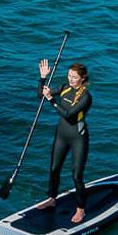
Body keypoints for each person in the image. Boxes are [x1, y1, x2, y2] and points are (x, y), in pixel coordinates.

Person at [36, 59, 93, 223]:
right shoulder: (64, 88)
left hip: (78, 137)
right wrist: (43, 78)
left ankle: (80, 209)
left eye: (74, 77)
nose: (70, 79)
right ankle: (52, 198)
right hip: (61, 134)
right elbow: (40, 95)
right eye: (69, 75)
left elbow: (69, 115)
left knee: (76, 175)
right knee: (54, 169)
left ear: (82, 78)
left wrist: (51, 100)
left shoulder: (86, 97)